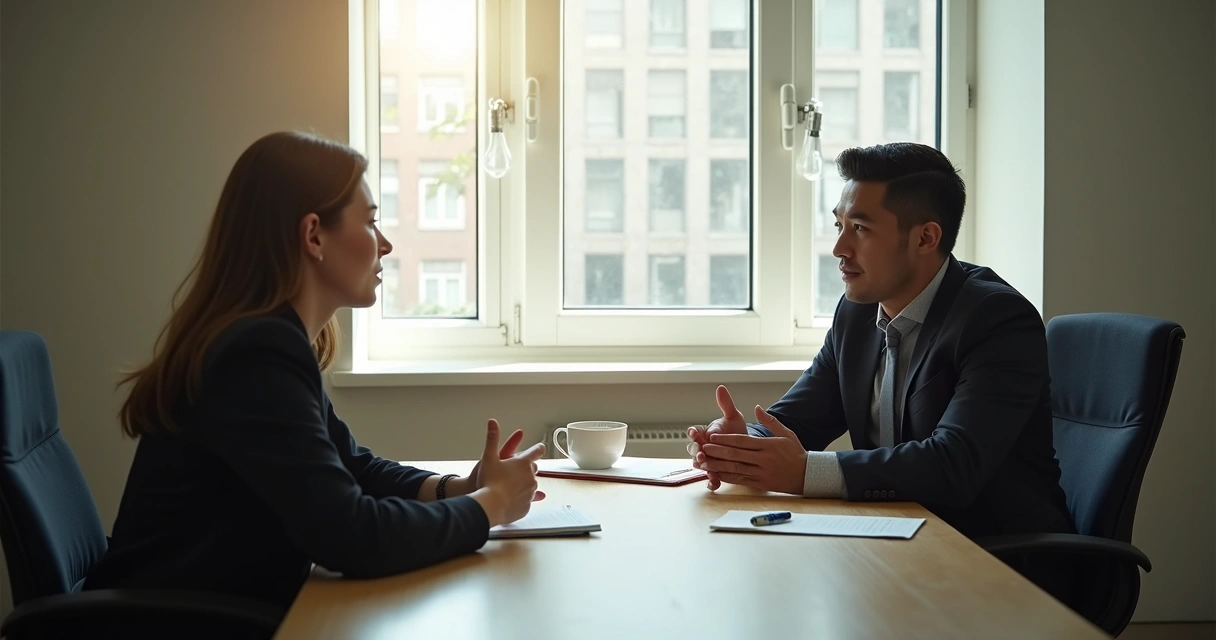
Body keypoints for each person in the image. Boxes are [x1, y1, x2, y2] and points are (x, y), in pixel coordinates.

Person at [83, 131, 544, 636]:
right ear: (314, 236)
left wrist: (459, 488)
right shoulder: (255, 355)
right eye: (370, 221)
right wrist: (491, 507)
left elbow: (352, 466)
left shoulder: (268, 340)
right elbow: (351, 536)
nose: (385, 244)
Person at [687, 142, 1075, 601]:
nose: (838, 248)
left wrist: (802, 473)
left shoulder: (996, 319)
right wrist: (741, 444)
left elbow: (953, 465)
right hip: (901, 547)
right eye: (838, 225)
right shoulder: (857, 314)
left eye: (861, 229)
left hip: (999, 565)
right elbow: (797, 419)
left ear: (926, 238)